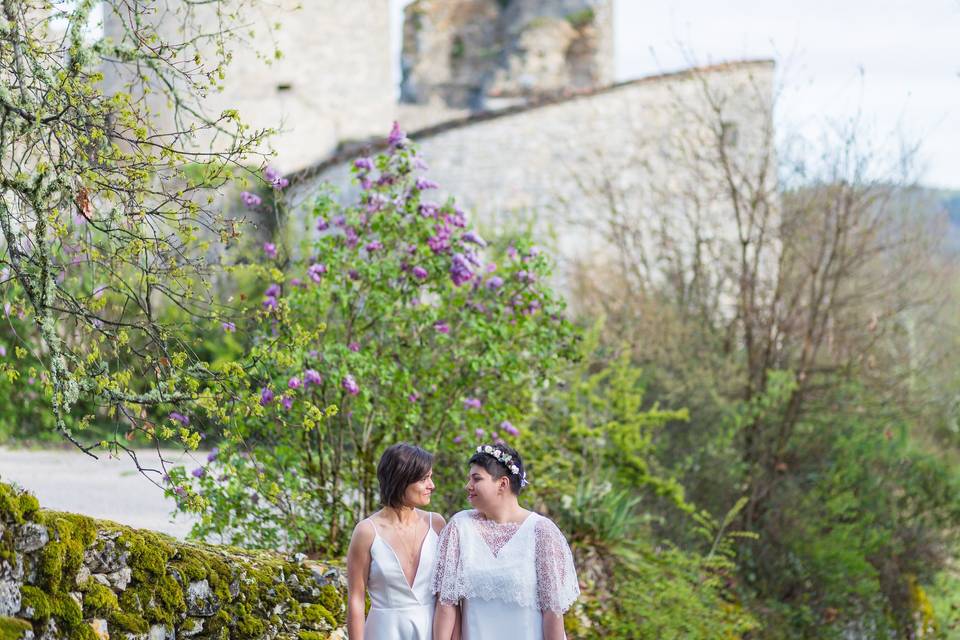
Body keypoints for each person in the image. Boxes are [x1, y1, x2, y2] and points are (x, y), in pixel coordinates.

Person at [432, 443, 579, 640]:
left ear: (502, 483)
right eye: (469, 479)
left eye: (476, 479)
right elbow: (446, 604)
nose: (468, 486)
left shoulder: (541, 531)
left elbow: (552, 612)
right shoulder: (459, 527)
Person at [347, 443, 446, 639]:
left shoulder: (437, 524)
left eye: (431, 477)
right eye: (425, 478)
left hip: (431, 631)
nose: (432, 485)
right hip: (383, 632)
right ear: (401, 479)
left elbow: (447, 596)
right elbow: (356, 601)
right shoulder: (366, 532)